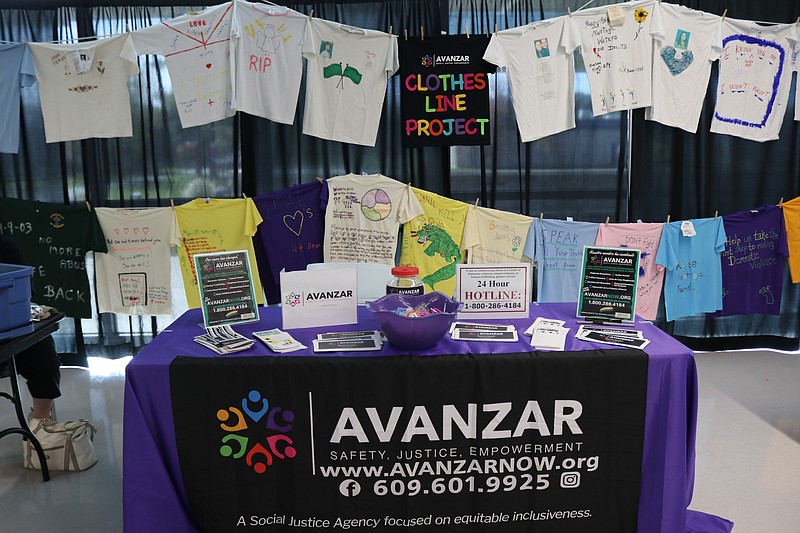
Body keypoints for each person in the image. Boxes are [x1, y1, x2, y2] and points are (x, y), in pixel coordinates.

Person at [0, 235, 61, 424]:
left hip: (6, 329)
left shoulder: (5, 248)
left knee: (43, 352)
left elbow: (23, 294)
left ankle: (40, 421)